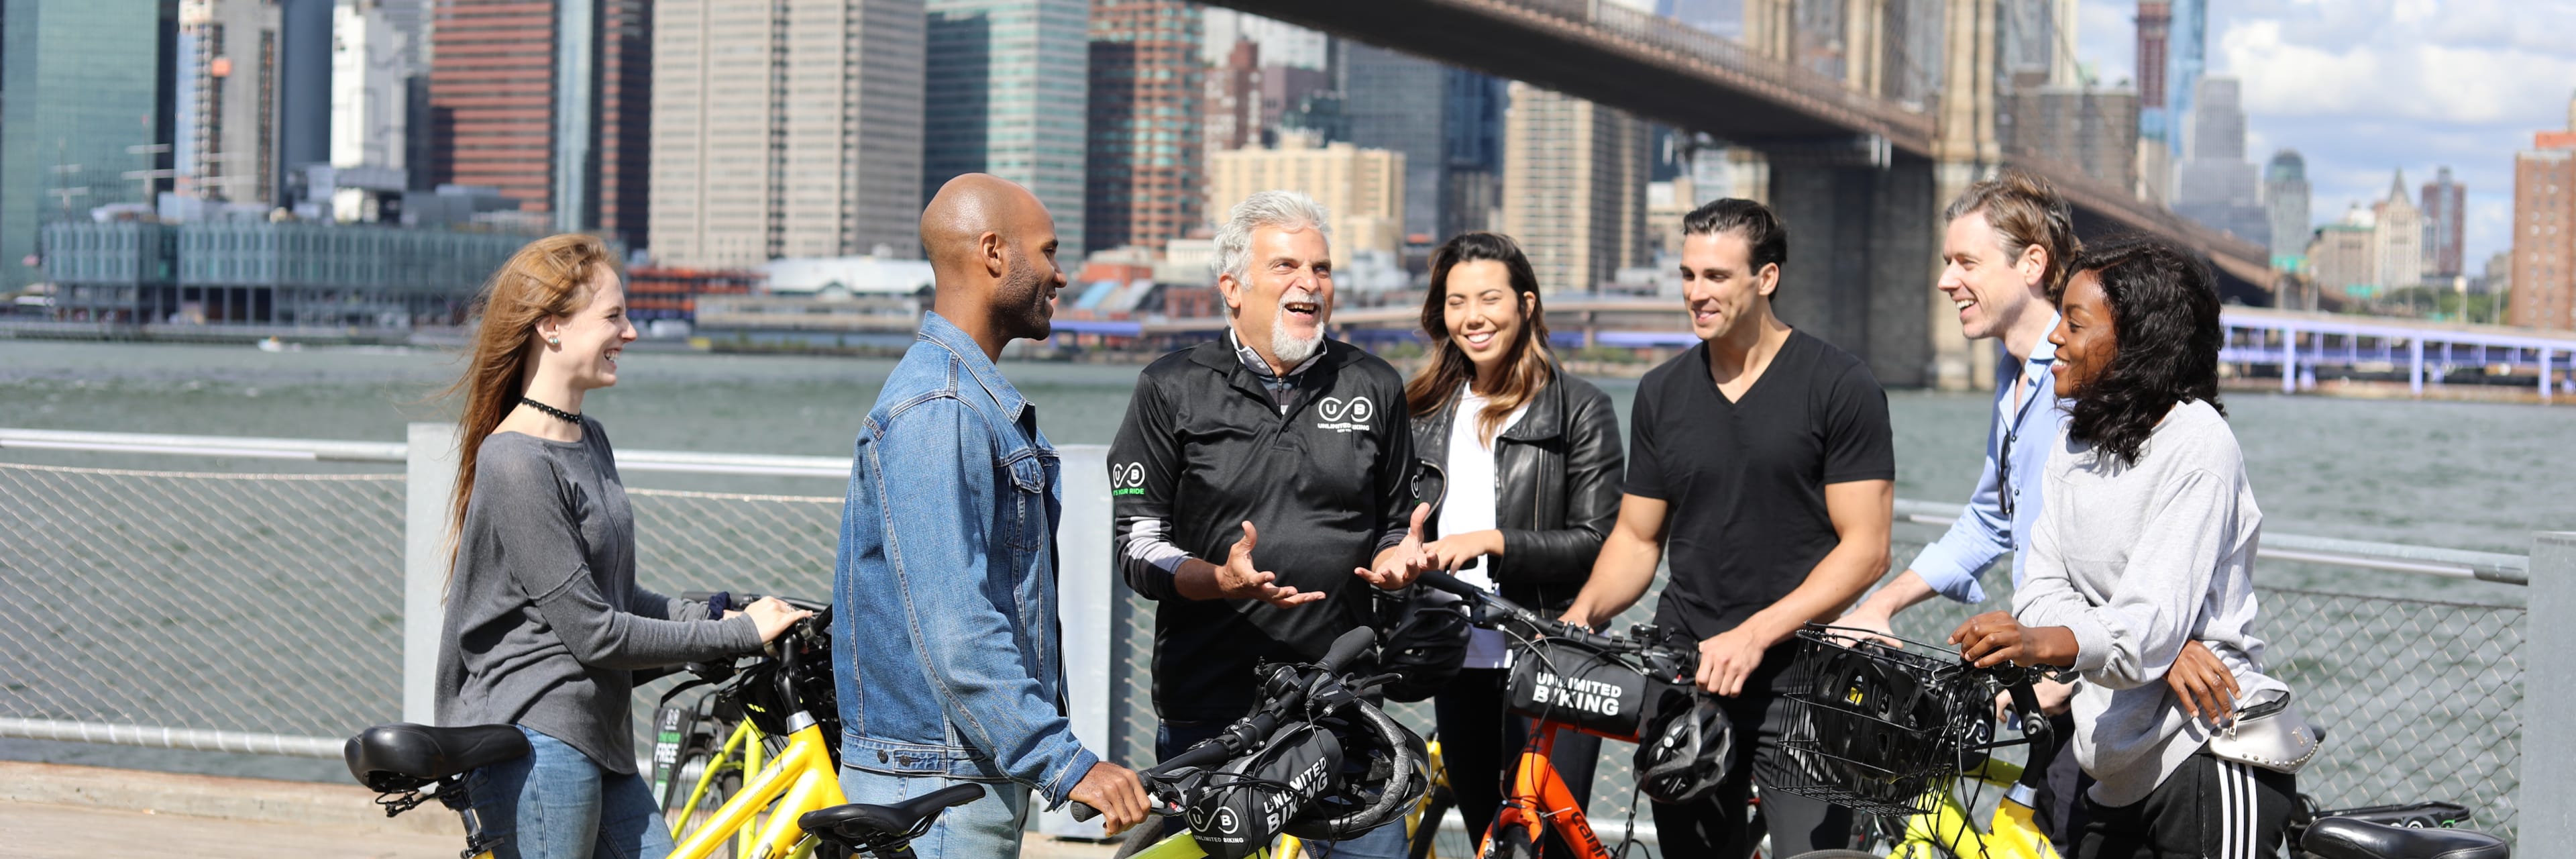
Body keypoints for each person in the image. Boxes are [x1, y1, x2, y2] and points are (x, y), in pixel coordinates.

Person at [435, 234, 812, 859]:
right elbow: (594, 632)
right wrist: (738, 635)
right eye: (614, 317)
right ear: (551, 326)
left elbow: (610, 594)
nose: (631, 333)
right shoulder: (515, 462)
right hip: (537, 741)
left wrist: (717, 612)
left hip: (598, 734)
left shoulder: (590, 440)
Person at [1557, 199, 1893, 858]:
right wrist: (1581, 616)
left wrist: (1755, 632)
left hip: (1802, 679)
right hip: (1690, 674)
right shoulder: (1660, 391)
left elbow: (1868, 548)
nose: (1696, 293)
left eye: (1715, 276)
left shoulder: (1839, 384)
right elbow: (1636, 538)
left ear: (1766, 278)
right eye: (1687, 275)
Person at [833, 174, 1150, 856]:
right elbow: (957, 627)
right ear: (994, 253)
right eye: (1049, 252)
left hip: (954, 780)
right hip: (938, 794)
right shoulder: (940, 410)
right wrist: (1069, 763)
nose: (1060, 274)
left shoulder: (966, 404)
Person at [1108, 190, 1431, 858]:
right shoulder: (1169, 386)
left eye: (1321, 268)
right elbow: (1136, 546)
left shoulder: (1373, 384)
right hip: (1211, 707)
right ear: (1232, 287)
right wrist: (1219, 579)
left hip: (1341, 706)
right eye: (1286, 266)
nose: (1309, 283)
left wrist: (1400, 558)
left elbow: (1398, 521)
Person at [1951, 237, 2295, 859]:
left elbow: (2141, 626)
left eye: (2076, 323)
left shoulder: (2198, 443)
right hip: (2108, 754)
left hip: (2207, 751)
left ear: (2136, 344)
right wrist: (2159, 647)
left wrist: (2051, 642)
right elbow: (2039, 593)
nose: (2055, 336)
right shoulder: (2074, 441)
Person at [1399, 232, 1623, 848]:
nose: (1472, 317)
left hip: (1553, 655)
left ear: (1526, 304)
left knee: (1549, 844)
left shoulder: (1579, 409)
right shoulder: (1421, 411)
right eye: (1456, 302)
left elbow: (1600, 541)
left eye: (1489, 298)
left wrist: (1493, 541)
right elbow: (1394, 523)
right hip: (1456, 657)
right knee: (1488, 839)